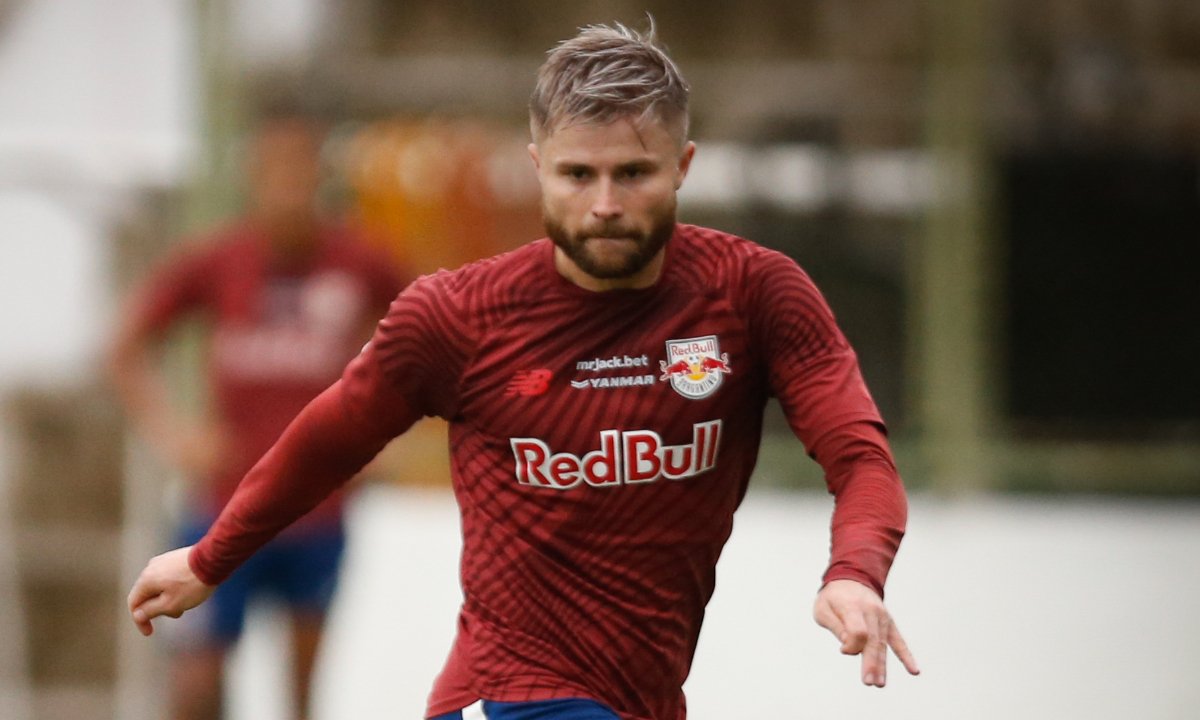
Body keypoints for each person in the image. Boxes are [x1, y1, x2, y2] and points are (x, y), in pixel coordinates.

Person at [127, 22, 919, 720]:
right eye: (578, 175)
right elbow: (331, 436)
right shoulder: (458, 315)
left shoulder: (754, 296)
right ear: (538, 166)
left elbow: (859, 456)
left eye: (633, 174)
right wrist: (209, 556)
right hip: (508, 695)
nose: (604, 203)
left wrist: (855, 572)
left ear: (682, 165)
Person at [110, 109, 407, 720]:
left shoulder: (359, 262)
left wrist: (394, 437)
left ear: (320, 176)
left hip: (318, 510)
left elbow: (438, 341)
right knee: (195, 683)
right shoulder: (218, 260)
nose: (288, 186)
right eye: (275, 170)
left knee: (302, 691)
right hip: (223, 504)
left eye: (300, 169)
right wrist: (175, 434)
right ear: (253, 175)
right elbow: (127, 346)